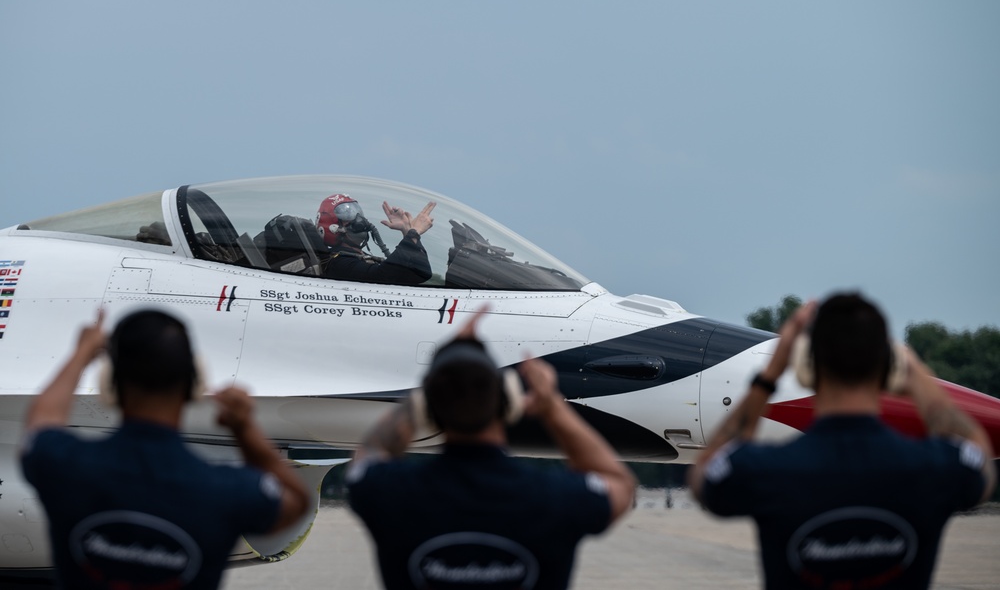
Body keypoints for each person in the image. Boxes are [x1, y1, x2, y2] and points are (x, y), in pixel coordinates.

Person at [688, 293, 996, 589]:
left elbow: (705, 471)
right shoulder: (934, 467)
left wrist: (771, 372)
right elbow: (977, 453)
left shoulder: (766, 469)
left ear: (806, 368)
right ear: (889, 368)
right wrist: (916, 375)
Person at [20, 309, 310, 590]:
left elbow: (42, 422)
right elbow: (298, 502)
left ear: (110, 383)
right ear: (194, 385)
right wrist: (244, 428)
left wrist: (82, 353)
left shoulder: (66, 465)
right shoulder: (226, 490)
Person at [346, 310, 636, 590]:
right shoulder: (556, 496)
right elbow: (620, 483)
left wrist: (424, 394)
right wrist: (552, 406)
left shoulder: (387, 491)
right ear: (508, 401)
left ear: (427, 405)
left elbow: (371, 453)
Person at [317, 194, 436, 285]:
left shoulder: (360, 257)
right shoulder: (339, 263)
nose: (359, 219)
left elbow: (422, 273)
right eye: (348, 216)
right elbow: (382, 276)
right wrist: (413, 234)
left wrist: (406, 231)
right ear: (333, 227)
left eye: (357, 212)